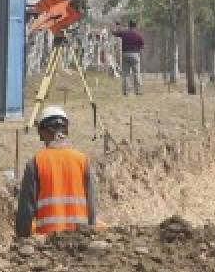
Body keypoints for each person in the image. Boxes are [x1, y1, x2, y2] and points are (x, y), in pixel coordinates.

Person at [15, 105, 97, 237]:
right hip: (81, 240)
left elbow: (26, 210)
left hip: (48, 244)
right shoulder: (82, 160)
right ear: (66, 130)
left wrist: (22, 240)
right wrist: (91, 233)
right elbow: (91, 205)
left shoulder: (36, 162)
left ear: (41, 132)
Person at [111, 19, 145, 96]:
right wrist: (138, 50)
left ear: (129, 25)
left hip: (125, 54)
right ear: (136, 26)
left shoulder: (124, 33)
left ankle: (126, 91)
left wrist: (116, 25)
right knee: (136, 73)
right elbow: (142, 46)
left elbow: (114, 33)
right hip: (135, 54)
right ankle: (138, 91)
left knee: (126, 74)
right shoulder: (138, 35)